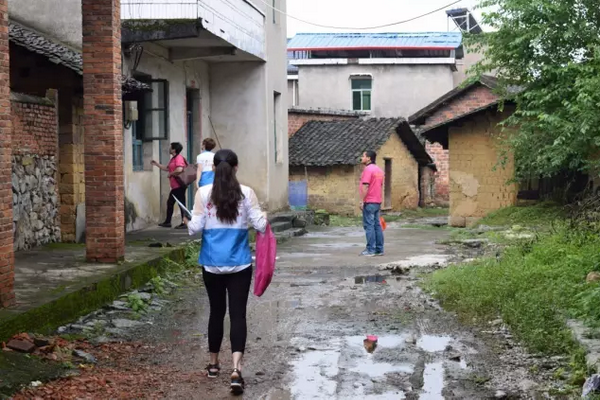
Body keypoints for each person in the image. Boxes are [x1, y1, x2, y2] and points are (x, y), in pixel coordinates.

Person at [185, 149, 267, 395]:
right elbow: (260, 225)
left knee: (216, 312)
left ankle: (212, 365)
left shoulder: (202, 193)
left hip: (211, 263)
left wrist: (190, 218)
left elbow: (194, 229)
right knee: (238, 314)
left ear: (212, 168)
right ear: (236, 167)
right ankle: (236, 369)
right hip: (240, 263)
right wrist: (264, 215)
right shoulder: (246, 193)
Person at [151, 142, 188, 229]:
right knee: (172, 203)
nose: (169, 149)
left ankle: (183, 222)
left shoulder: (178, 158)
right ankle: (169, 222)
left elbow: (179, 169)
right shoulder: (173, 159)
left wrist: (171, 174)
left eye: (170, 147)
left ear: (174, 150)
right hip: (175, 186)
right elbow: (167, 168)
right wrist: (157, 164)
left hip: (179, 185)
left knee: (180, 204)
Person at [359, 150, 385, 256]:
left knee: (369, 225)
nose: (361, 158)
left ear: (369, 158)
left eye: (363, 156)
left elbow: (365, 185)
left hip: (369, 201)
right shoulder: (379, 170)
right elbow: (380, 185)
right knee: (377, 225)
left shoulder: (368, 170)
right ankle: (379, 249)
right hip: (377, 201)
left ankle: (370, 250)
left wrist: (362, 201)